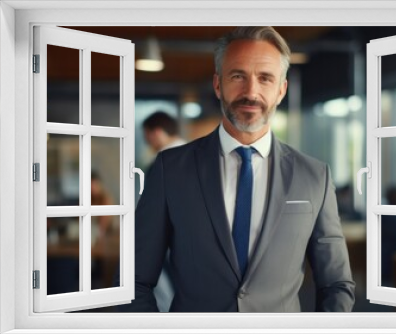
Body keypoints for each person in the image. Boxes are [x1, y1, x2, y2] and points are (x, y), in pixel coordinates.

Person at [121, 26, 355, 312]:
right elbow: (133, 281)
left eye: (265, 78)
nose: (251, 92)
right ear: (218, 84)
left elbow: (336, 285)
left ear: (281, 90)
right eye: (238, 76)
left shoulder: (315, 176)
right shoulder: (171, 169)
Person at [142, 112, 187, 312]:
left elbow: (149, 207)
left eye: (147, 136)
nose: (146, 142)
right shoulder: (197, 155)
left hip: (166, 235)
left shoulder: (164, 160)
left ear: (158, 133)